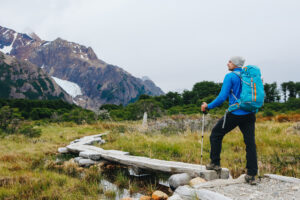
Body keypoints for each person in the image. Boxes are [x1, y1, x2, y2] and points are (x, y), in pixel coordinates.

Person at [201, 56, 258, 185]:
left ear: (235, 64)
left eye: (230, 61)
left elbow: (222, 97)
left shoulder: (230, 76)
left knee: (216, 134)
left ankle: (215, 163)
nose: (228, 63)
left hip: (236, 113)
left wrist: (208, 106)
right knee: (250, 143)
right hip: (249, 114)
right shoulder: (249, 77)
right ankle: (251, 174)